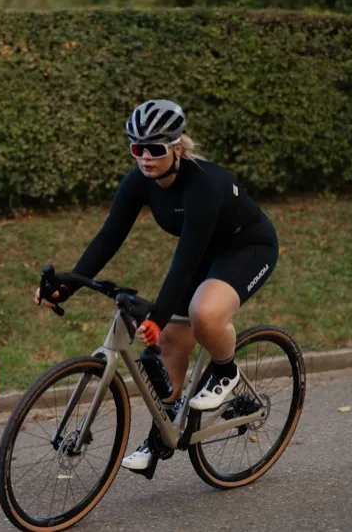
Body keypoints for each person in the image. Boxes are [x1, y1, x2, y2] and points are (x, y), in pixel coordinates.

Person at [34, 100, 279, 474]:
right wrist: (66, 286)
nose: (145, 158)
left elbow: (184, 261)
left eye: (155, 149)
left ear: (177, 147)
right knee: (170, 341)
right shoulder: (138, 181)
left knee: (204, 314)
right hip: (203, 253)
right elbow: (108, 238)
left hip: (247, 247)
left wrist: (157, 316)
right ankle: (161, 435)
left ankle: (226, 371)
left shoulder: (203, 186)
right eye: (137, 148)